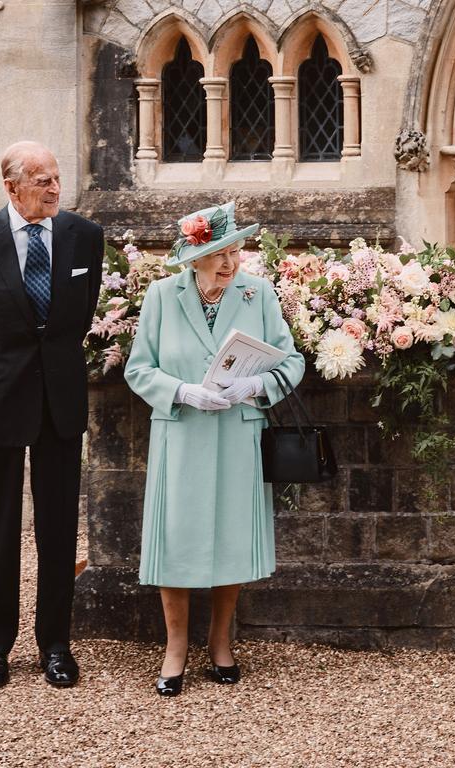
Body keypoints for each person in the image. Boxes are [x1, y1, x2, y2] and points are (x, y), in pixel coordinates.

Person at [0, 140, 104, 689]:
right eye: (43, 181)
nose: (55, 189)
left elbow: (78, 319)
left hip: (59, 401)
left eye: (57, 179)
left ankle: (56, 644)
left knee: (58, 529)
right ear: (11, 187)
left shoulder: (86, 237)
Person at [124, 202, 304, 696]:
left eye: (235, 250)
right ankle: (175, 647)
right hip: (180, 431)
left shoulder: (257, 293)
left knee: (230, 536)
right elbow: (138, 369)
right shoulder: (162, 296)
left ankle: (220, 641)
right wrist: (182, 392)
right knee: (175, 539)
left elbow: (291, 363)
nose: (230, 263)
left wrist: (255, 387)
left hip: (237, 431)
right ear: (193, 257)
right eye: (219, 253)